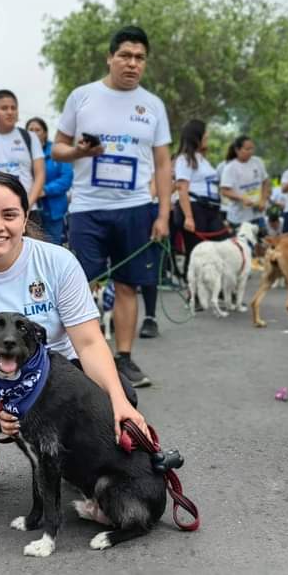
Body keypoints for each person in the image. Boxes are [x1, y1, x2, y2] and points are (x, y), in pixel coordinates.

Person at [0, 172, 148, 503]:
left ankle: (72, 462)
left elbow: (89, 342)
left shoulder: (58, 261)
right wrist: (3, 403)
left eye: (9, 215)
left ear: (24, 219)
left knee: (119, 394)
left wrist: (118, 402)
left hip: (57, 375)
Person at [51, 25, 172, 389]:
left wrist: (163, 214)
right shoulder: (82, 97)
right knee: (80, 284)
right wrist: (79, 152)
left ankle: (124, 359)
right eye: (125, 56)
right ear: (110, 57)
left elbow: (164, 163)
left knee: (127, 285)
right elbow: (57, 148)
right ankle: (80, 357)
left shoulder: (153, 105)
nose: (132, 64)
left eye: (140, 58)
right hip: (87, 207)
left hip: (135, 206)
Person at [173, 118, 224, 276]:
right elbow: (182, 188)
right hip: (194, 209)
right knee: (197, 251)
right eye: (205, 136)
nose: (207, 138)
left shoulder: (202, 159)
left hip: (210, 209)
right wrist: (188, 217)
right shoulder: (184, 160)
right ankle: (192, 293)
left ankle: (217, 292)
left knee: (219, 246)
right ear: (196, 137)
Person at [26, 116, 72, 245]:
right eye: (30, 130)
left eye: (38, 130)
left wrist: (45, 190)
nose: (34, 133)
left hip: (54, 211)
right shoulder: (23, 154)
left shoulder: (56, 152)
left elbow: (66, 179)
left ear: (45, 133)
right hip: (30, 210)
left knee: (53, 247)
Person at [220, 136, 270, 234]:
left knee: (263, 244)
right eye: (247, 149)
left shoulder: (257, 162)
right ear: (237, 150)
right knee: (243, 247)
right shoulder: (230, 168)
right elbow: (224, 191)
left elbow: (265, 181)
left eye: (252, 148)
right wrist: (242, 198)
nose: (250, 152)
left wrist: (263, 200)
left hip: (258, 214)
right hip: (239, 218)